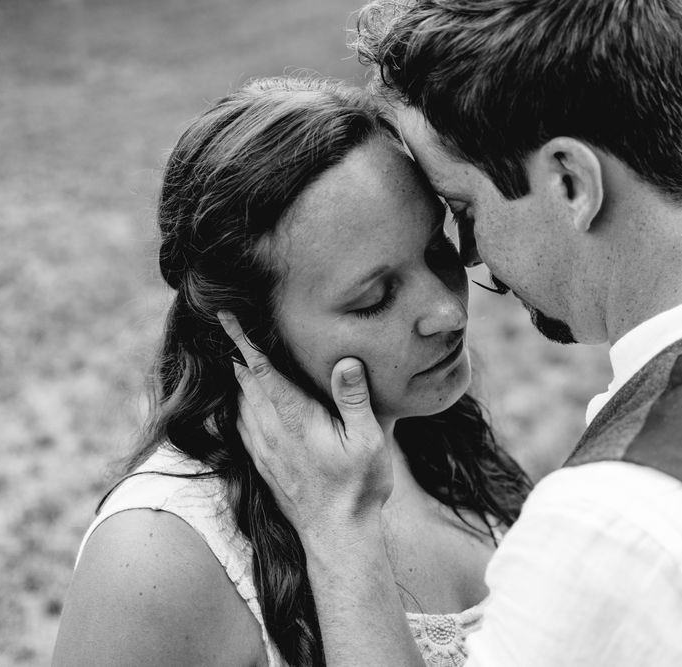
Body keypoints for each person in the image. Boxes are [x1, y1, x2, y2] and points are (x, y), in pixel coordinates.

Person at [227, 1, 682, 665]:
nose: (471, 258)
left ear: (571, 181)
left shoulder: (616, 525)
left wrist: (338, 528)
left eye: (465, 208)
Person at [51, 76, 531, 667]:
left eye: (437, 251)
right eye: (374, 300)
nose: (448, 313)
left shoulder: (428, 427)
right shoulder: (155, 556)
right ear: (252, 332)